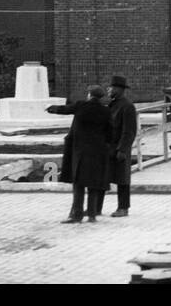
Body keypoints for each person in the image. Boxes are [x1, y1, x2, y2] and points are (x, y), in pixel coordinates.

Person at [46, 85, 112, 222]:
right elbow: (110, 132)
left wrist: (50, 108)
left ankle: (77, 215)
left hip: (81, 151)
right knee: (93, 183)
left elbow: (65, 109)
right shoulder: (106, 111)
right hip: (98, 152)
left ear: (90, 95)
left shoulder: (81, 106)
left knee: (79, 184)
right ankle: (92, 215)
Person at [107, 73, 138, 217]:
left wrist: (123, 149)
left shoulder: (127, 106)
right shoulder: (112, 104)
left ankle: (123, 207)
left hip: (120, 148)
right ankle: (96, 207)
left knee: (122, 179)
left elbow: (129, 131)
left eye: (112, 87)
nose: (109, 89)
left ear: (119, 89)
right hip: (109, 147)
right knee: (104, 177)